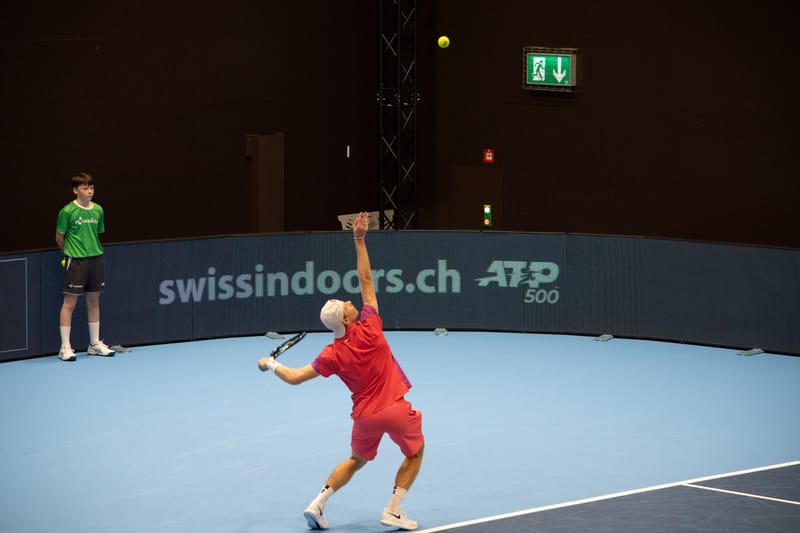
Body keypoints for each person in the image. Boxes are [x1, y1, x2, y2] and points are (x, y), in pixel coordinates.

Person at [258, 211, 424, 531]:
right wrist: (359, 239)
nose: (349, 302)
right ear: (347, 320)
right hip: (393, 408)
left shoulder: (331, 355)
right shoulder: (370, 326)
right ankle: (393, 508)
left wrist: (272, 364)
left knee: (355, 460)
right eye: (345, 305)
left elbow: (294, 378)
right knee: (416, 454)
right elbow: (366, 279)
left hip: (364, 417)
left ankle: (317, 503)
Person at [55, 172, 115, 361]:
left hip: (96, 259)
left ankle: (94, 344)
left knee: (94, 301)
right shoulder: (67, 211)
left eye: (91, 188)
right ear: (75, 190)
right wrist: (70, 254)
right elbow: (59, 237)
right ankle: (65, 347)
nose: (89, 191)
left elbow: (97, 233)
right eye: (85, 188)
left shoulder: (98, 210)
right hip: (76, 260)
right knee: (70, 303)